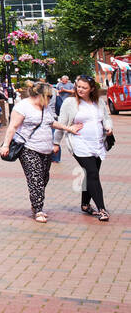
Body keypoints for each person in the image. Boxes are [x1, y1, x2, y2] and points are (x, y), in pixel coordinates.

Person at [55, 75, 115, 221]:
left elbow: (106, 118)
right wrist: (55, 143)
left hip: (97, 143)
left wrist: (108, 127)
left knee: (90, 175)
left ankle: (85, 204)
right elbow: (61, 123)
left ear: (92, 89)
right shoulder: (69, 102)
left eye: (84, 87)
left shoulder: (98, 102)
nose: (80, 89)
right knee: (93, 173)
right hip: (79, 143)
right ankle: (102, 209)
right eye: (78, 86)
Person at [0, 81, 59, 222]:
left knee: (44, 178)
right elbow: (12, 127)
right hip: (28, 148)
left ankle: (35, 203)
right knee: (35, 178)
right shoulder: (23, 107)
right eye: (49, 96)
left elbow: (51, 123)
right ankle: (38, 209)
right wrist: (6, 145)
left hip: (46, 149)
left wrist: (69, 129)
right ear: (40, 95)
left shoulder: (46, 108)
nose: (51, 99)